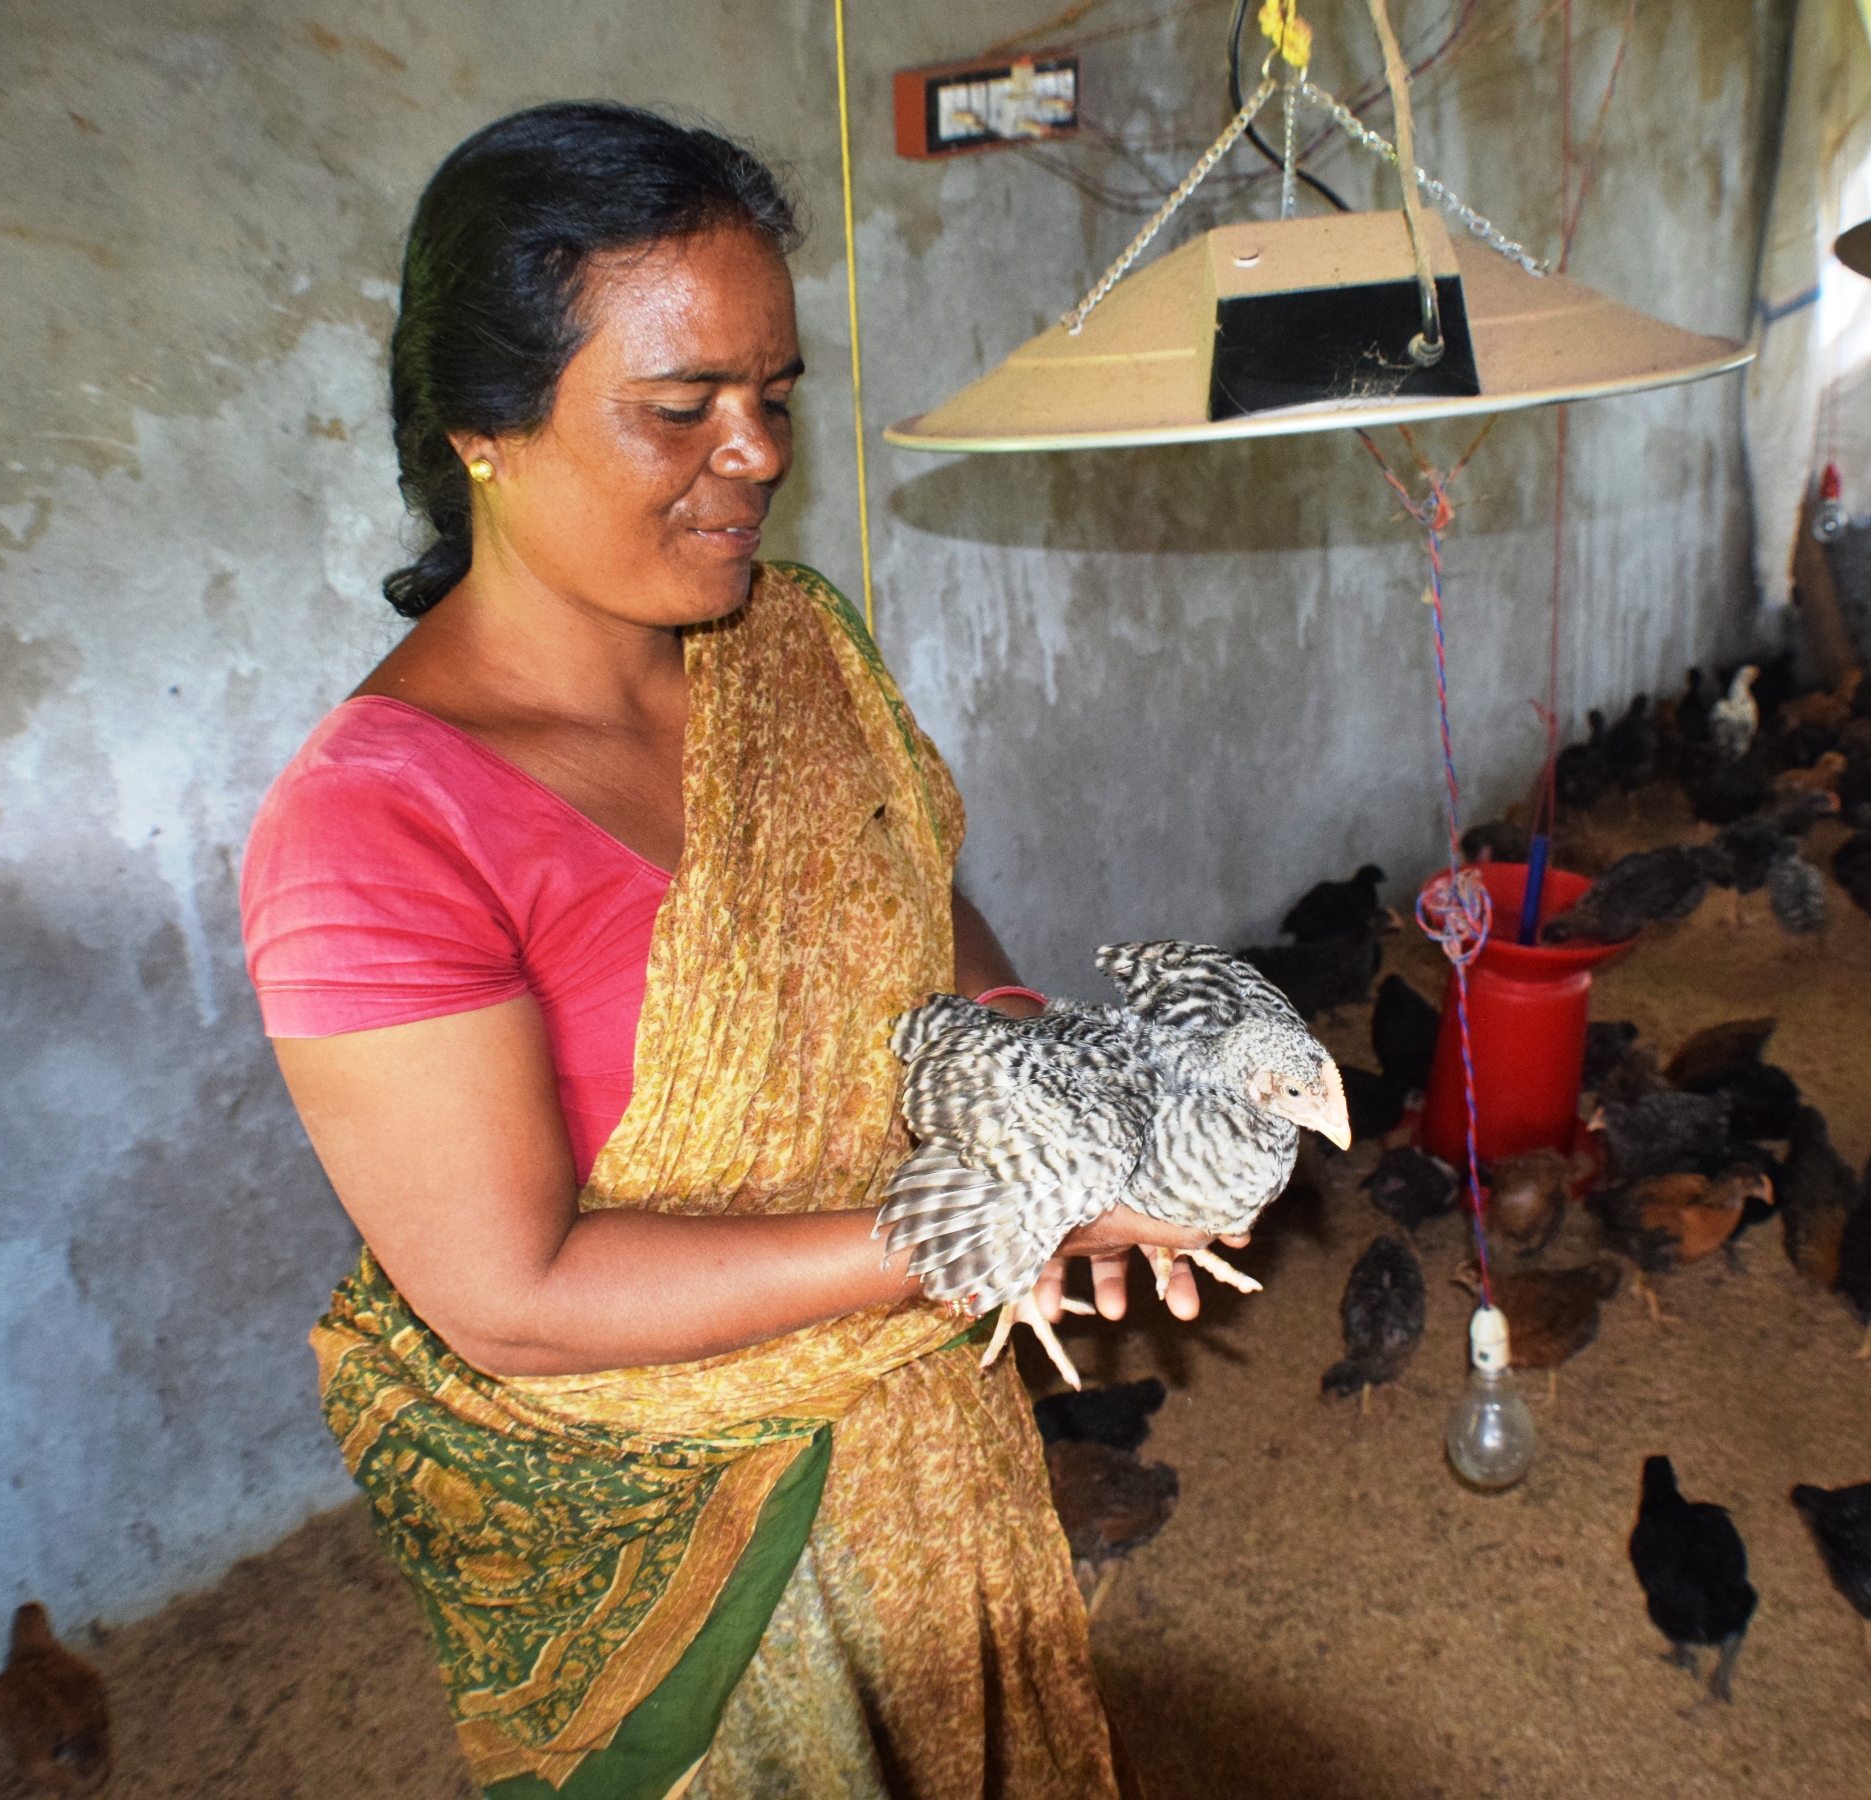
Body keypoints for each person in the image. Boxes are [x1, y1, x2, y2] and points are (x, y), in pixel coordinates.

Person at [240, 102, 1209, 1799]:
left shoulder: (795, 650)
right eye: (680, 409)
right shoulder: (375, 828)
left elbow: (915, 906)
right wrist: (989, 1218)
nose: (754, 454)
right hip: (678, 1539)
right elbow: (516, 1299)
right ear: (483, 425)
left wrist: (1030, 1086)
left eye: (773, 398)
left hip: (921, 1437)